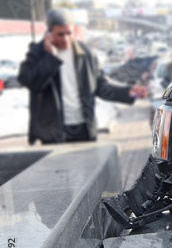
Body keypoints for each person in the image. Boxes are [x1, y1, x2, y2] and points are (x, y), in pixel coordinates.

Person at [18, 8, 147, 145]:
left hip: (83, 128)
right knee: (58, 167)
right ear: (48, 33)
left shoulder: (85, 53)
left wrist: (127, 92)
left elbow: (99, 85)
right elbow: (29, 81)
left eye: (69, 33)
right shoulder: (38, 52)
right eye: (60, 34)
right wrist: (50, 57)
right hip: (52, 130)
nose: (65, 38)